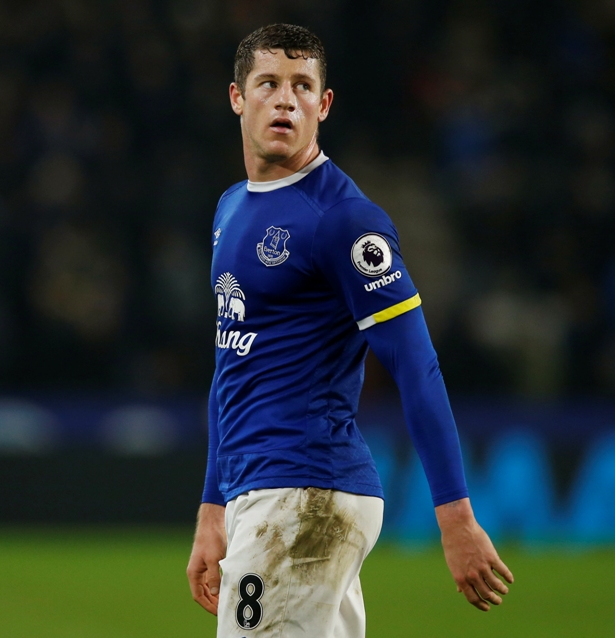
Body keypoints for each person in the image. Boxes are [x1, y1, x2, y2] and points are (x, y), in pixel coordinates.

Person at [186, 24, 512, 637]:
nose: (286, 100)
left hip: (302, 495)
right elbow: (233, 365)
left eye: (302, 86)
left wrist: (455, 516)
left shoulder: (343, 219)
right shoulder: (232, 206)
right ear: (237, 97)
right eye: (269, 83)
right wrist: (213, 507)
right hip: (265, 492)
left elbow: (415, 364)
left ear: (324, 104)